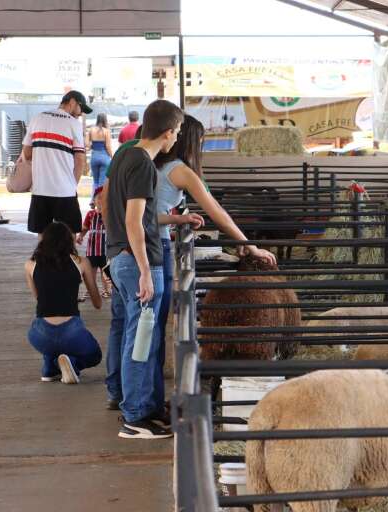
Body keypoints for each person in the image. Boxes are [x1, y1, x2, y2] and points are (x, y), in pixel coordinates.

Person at [151, 115, 276, 405]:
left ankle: (137, 396)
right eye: (200, 141)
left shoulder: (154, 163)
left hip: (144, 243)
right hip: (155, 245)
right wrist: (249, 245)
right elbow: (216, 210)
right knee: (157, 325)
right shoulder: (179, 169)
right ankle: (149, 402)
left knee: (152, 324)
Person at [105, 99, 183, 439]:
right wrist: (145, 270)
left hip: (120, 255)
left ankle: (145, 406)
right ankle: (135, 418)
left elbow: (106, 202)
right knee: (141, 339)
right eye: (177, 133)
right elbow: (134, 220)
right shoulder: (143, 165)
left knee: (138, 337)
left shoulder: (124, 152)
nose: (176, 139)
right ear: (167, 133)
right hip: (137, 261)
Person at [24, 221, 103, 384]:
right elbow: (97, 303)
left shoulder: (30, 265)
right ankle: (72, 364)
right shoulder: (81, 262)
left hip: (40, 334)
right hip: (72, 330)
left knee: (50, 339)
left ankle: (49, 368)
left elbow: (38, 298)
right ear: (70, 240)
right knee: (95, 355)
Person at [22, 90, 91, 235]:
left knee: (43, 234)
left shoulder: (37, 118)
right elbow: (79, 159)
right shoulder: (74, 124)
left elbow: (27, 153)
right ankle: (68, 258)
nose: (80, 114)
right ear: (72, 102)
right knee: (69, 234)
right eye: (80, 109)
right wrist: (73, 184)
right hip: (65, 190)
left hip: (40, 189)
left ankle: (43, 259)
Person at [76, 187, 111, 298]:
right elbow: (85, 227)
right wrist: (80, 236)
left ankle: (107, 290)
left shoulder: (110, 214)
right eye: (99, 198)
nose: (101, 201)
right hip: (92, 249)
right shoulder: (91, 215)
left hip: (106, 250)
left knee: (105, 272)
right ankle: (91, 290)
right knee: (91, 272)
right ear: (94, 201)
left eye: (104, 198)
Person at [86, 113, 113, 191]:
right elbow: (108, 146)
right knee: (102, 182)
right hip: (104, 157)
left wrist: (92, 146)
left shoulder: (91, 130)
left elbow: (86, 144)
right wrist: (112, 156)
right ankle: (101, 201)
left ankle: (93, 200)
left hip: (94, 156)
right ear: (105, 120)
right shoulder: (106, 131)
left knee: (95, 181)